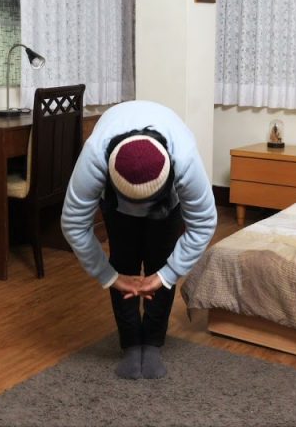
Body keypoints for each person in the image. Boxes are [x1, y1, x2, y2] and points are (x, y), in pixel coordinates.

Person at [61, 100, 217, 380]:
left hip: (166, 210)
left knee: (162, 263)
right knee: (123, 263)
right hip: (117, 210)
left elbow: (204, 222)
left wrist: (168, 274)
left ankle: (153, 343)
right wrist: (109, 276)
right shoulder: (95, 156)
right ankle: (131, 344)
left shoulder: (184, 158)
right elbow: (73, 223)